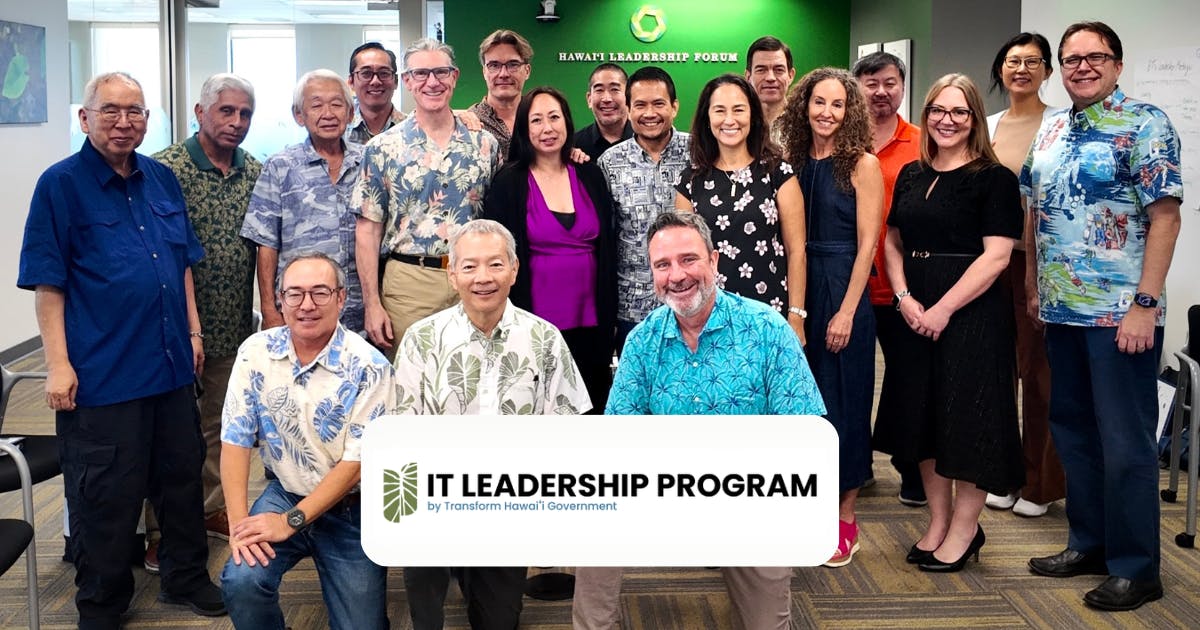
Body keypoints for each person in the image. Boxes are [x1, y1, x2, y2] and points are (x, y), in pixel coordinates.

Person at [18, 71, 224, 628]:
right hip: (103, 374)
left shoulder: (161, 179)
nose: (124, 121)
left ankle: (185, 576)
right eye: (110, 110)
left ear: (148, 120)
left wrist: (194, 331)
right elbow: (48, 284)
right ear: (84, 118)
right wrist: (57, 364)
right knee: (106, 495)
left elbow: (180, 263)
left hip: (170, 365)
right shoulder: (59, 185)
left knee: (181, 482)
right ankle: (103, 601)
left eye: (135, 111)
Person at [573, 211, 825, 630]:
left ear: (714, 261)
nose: (677, 276)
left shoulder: (766, 330)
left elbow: (805, 435)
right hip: (666, 487)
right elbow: (619, 437)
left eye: (688, 260)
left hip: (750, 495)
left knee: (767, 624)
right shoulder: (642, 341)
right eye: (662, 265)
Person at [1024, 21, 1182, 611]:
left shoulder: (1147, 124)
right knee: (1074, 433)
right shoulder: (1054, 128)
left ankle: (1138, 568)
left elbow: (1165, 217)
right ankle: (1088, 543)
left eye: (1095, 57)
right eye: (1070, 59)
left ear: (1117, 63)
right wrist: (1034, 285)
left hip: (1120, 317)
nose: (1081, 67)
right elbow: (1035, 212)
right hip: (1062, 312)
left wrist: (1144, 304)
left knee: (1126, 443)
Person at [394, 219, 590, 629]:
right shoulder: (420, 339)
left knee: (498, 622)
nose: (483, 278)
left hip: (508, 502)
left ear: (514, 270)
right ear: (452, 273)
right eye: (469, 267)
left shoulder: (545, 339)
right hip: (438, 498)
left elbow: (567, 435)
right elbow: (402, 436)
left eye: (496, 265)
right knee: (425, 607)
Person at [874, 73, 1024, 573]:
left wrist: (942, 309)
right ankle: (938, 523)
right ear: (927, 113)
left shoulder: (993, 178)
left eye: (959, 112)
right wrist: (904, 298)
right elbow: (893, 240)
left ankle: (965, 529)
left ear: (974, 119)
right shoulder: (914, 174)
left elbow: (997, 257)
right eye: (938, 110)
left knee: (968, 421)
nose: (947, 120)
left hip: (972, 316)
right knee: (923, 419)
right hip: (914, 312)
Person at [219, 253, 396, 630]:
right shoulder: (255, 353)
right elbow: (234, 440)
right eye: (295, 294)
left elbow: (357, 464)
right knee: (242, 579)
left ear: (341, 298)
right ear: (279, 300)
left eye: (319, 292)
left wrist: (291, 521)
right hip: (286, 490)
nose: (307, 305)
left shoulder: (370, 366)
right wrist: (239, 525)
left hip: (353, 509)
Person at [149, 73, 261, 569]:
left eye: (245, 114)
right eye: (226, 111)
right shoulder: (163, 170)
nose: (236, 123)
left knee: (219, 425)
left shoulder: (255, 171)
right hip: (168, 328)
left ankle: (211, 509)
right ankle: (164, 530)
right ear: (200, 113)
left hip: (232, 324)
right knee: (171, 433)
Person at [777, 67, 883, 567]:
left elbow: (869, 246)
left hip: (844, 286)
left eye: (838, 104)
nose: (827, 113)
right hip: (798, 288)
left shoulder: (862, 164)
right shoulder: (790, 161)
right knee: (804, 407)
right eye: (819, 102)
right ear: (804, 106)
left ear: (850, 111)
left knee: (844, 404)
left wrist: (845, 311)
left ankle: (845, 517)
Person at [354, 38, 501, 355]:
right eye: (421, 74)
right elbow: (368, 230)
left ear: (455, 76)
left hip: (475, 280)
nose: (431, 82)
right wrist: (372, 304)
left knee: (474, 379)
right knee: (410, 386)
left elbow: (499, 217)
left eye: (440, 72)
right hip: (409, 285)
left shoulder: (485, 145)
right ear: (406, 81)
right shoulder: (381, 149)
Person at [483, 87, 618, 411]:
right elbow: (498, 253)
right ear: (524, 129)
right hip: (532, 321)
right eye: (537, 120)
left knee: (590, 407)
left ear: (567, 122)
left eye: (554, 118)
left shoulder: (589, 173)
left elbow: (608, 247)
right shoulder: (509, 182)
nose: (547, 128)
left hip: (592, 322)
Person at [982, 32, 1065, 519]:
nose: (1021, 69)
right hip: (991, 262)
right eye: (1012, 61)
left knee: (1038, 377)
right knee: (995, 375)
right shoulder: (988, 124)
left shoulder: (1061, 123)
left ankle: (1039, 483)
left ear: (1047, 71)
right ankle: (1003, 474)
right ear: (1000, 70)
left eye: (1032, 62)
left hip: (1040, 264)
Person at [675, 74, 806, 342]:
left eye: (738, 110)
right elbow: (685, 259)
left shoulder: (778, 173)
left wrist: (796, 315)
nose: (729, 120)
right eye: (719, 110)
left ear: (753, 116)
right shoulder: (689, 181)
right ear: (707, 118)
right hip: (708, 317)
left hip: (769, 312)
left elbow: (797, 252)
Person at [851, 51, 925, 507]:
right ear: (857, 87)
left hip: (905, 287)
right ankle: (857, 468)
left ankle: (911, 468)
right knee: (853, 381)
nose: (881, 91)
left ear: (901, 85)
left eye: (890, 82)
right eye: (871, 83)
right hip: (852, 286)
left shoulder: (922, 141)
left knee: (909, 381)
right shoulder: (840, 139)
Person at [242, 69, 366, 333]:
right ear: (299, 115)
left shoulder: (369, 162)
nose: (328, 114)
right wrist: (269, 310)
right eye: (316, 105)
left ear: (351, 112)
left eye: (336, 104)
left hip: (359, 311)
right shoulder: (280, 166)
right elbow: (265, 243)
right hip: (300, 309)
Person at [597, 66, 691, 352]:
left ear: (674, 107)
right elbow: (605, 238)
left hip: (691, 301)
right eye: (640, 105)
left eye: (659, 103)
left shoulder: (700, 152)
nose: (649, 113)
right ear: (628, 108)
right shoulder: (609, 163)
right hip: (632, 308)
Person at [469, 29, 533, 159]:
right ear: (484, 72)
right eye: (494, 65)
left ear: (527, 71)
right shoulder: (468, 124)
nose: (503, 74)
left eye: (513, 64)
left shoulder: (541, 119)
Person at [345, 42, 406, 144]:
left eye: (384, 73)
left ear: (395, 81)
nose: (375, 81)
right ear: (351, 82)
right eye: (366, 73)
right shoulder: (338, 130)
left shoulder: (412, 130)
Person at [575, 62, 633, 161]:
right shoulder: (574, 146)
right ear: (589, 99)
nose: (606, 99)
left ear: (628, 96)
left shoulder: (645, 141)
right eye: (599, 90)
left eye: (614, 89)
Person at [744, 36, 796, 136]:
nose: (770, 78)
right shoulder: (737, 123)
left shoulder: (806, 123)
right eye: (761, 70)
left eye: (779, 70)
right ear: (748, 76)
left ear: (791, 75)